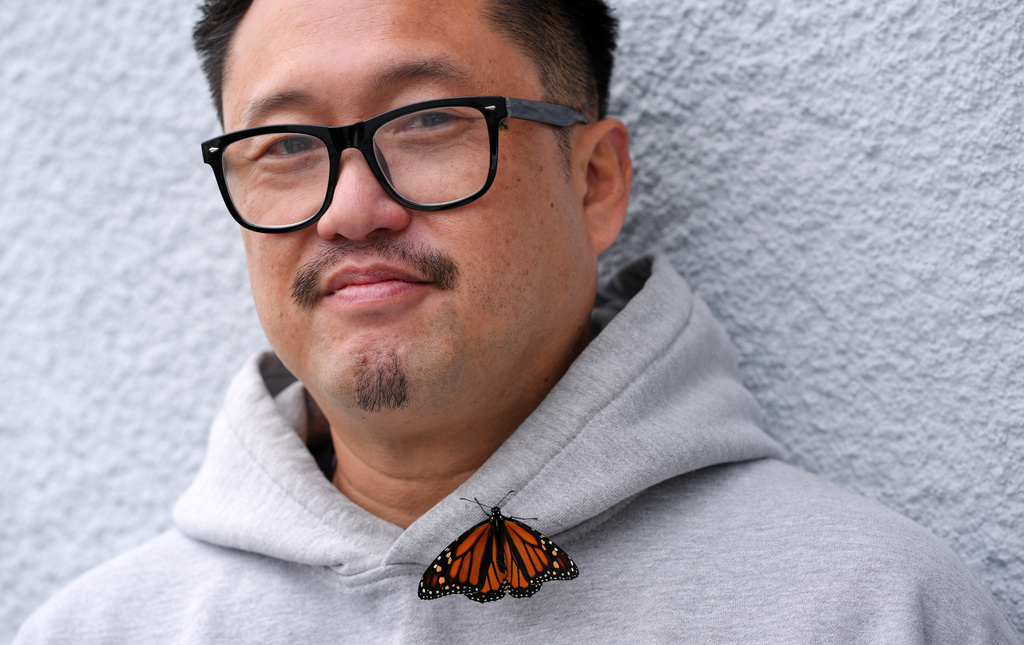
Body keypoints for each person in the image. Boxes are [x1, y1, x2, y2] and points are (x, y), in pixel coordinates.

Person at [15, 0, 1022, 642]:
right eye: (284, 145)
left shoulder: (871, 613)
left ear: (594, 181)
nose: (349, 209)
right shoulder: (98, 630)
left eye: (426, 122)